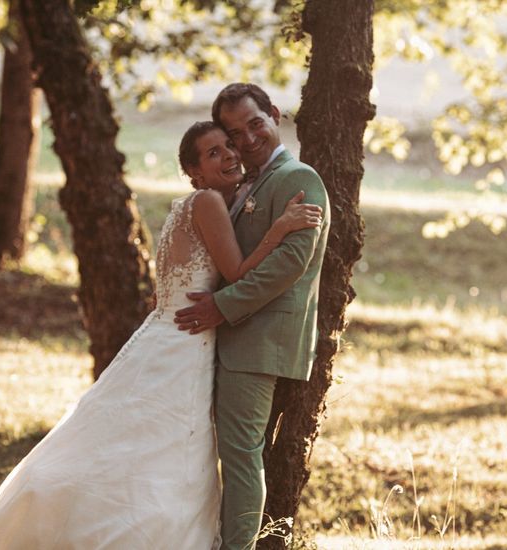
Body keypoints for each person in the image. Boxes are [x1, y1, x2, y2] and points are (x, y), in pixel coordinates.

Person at [0, 120, 323, 550]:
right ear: (194, 172)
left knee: (143, 444)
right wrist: (282, 225)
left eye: (228, 146)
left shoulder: (190, 205)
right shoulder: (210, 203)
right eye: (213, 153)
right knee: (167, 446)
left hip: (166, 333)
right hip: (186, 342)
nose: (230, 155)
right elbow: (235, 273)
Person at [174, 83, 331, 550]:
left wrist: (220, 307)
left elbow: (288, 265)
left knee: (242, 456)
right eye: (235, 132)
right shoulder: (245, 184)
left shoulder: (298, 178)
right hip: (231, 338)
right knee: (226, 453)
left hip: (261, 338)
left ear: (275, 116)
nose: (248, 138)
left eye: (255, 123)